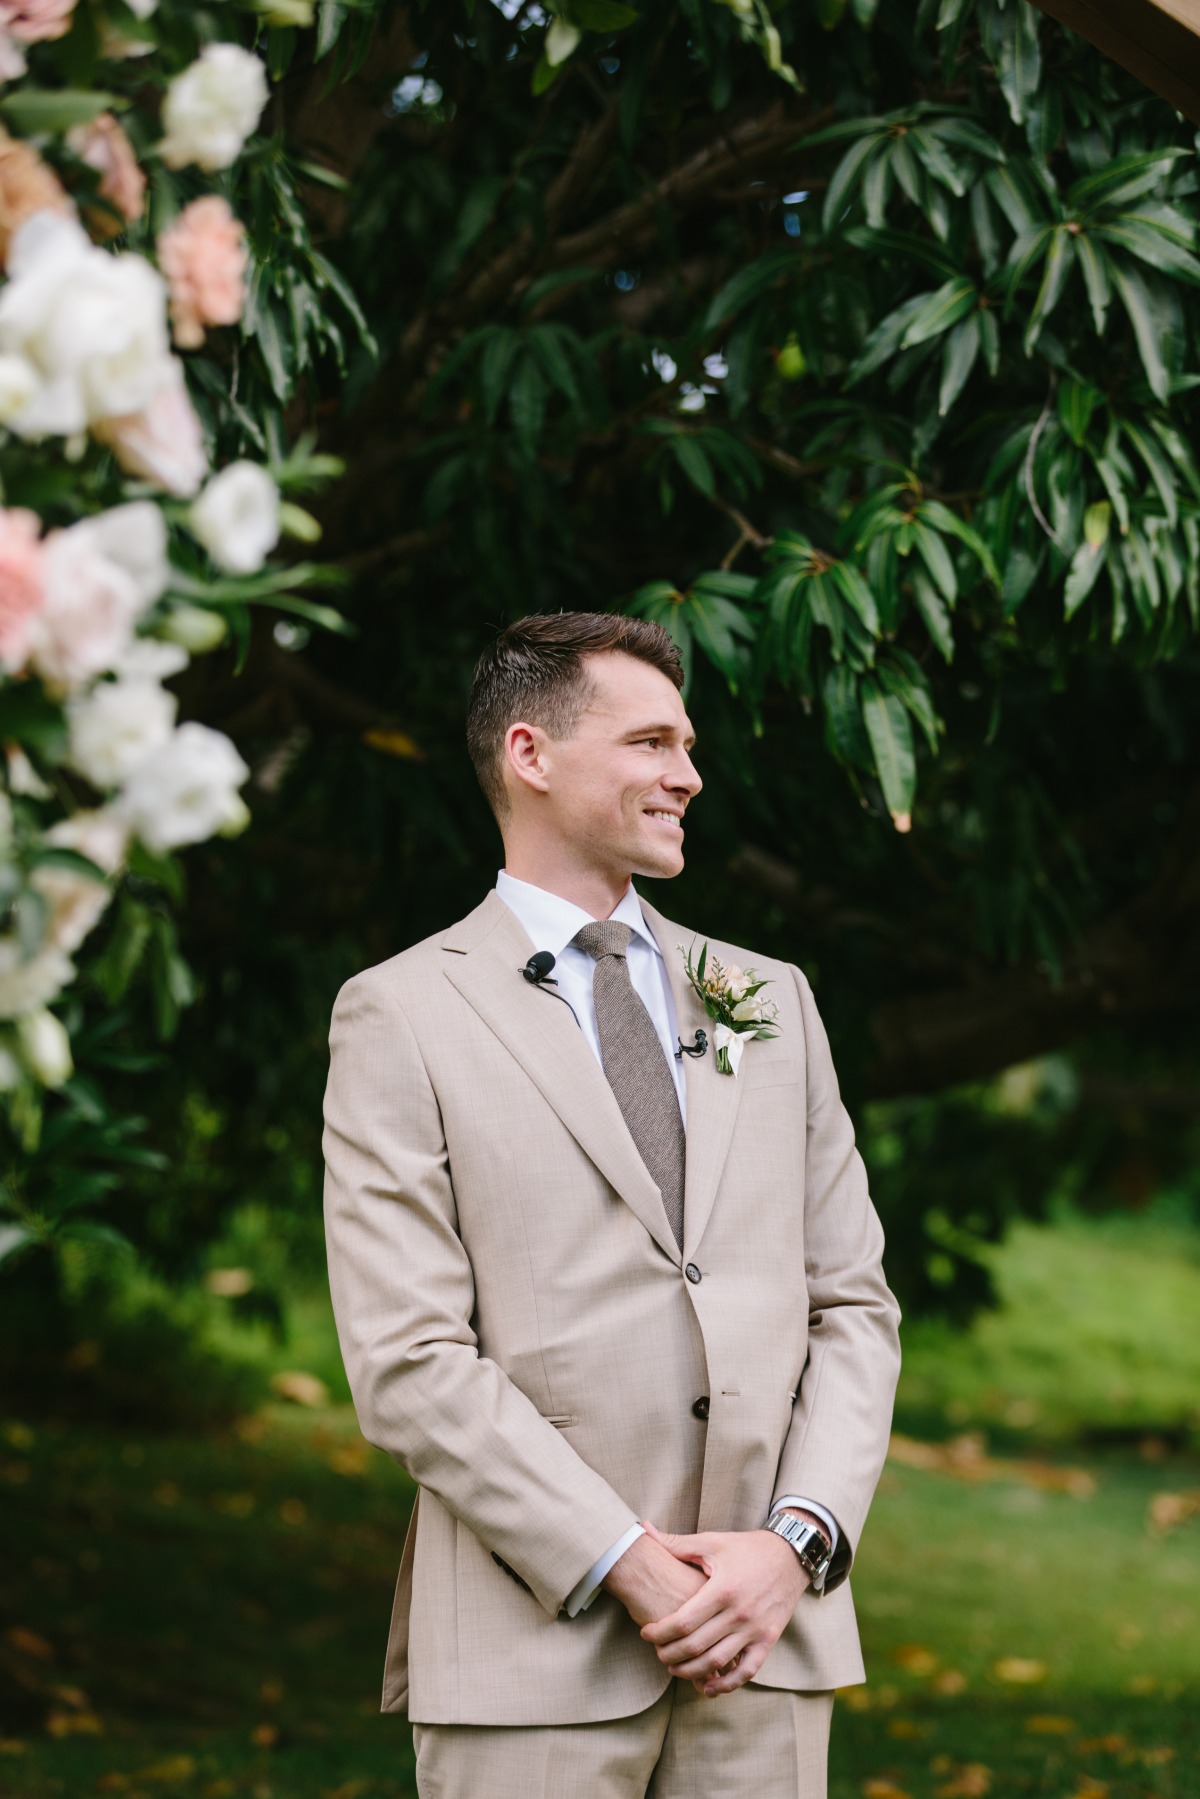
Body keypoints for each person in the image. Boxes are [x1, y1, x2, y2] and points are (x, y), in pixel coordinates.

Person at [322, 611, 901, 1799]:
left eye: (686, 744)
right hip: (533, 1649)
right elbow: (408, 1358)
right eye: (650, 741)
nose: (687, 773)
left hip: (763, 1645)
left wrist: (794, 1544)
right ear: (531, 754)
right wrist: (625, 1559)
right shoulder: (401, 1013)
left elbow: (853, 1306)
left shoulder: (771, 999)